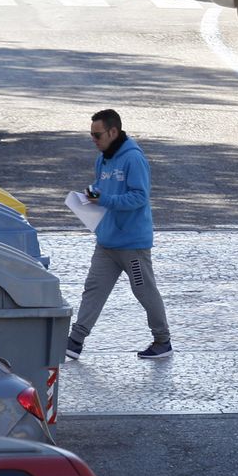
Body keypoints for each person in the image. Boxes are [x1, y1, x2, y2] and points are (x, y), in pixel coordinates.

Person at [66, 109, 172, 360]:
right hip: (107, 242)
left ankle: (162, 341)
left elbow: (139, 196)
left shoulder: (133, 159)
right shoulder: (103, 158)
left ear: (113, 132)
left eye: (97, 135)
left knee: (144, 291)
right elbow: (103, 192)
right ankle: (75, 341)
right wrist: (91, 196)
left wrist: (106, 199)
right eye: (91, 134)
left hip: (132, 245)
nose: (93, 139)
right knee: (93, 290)